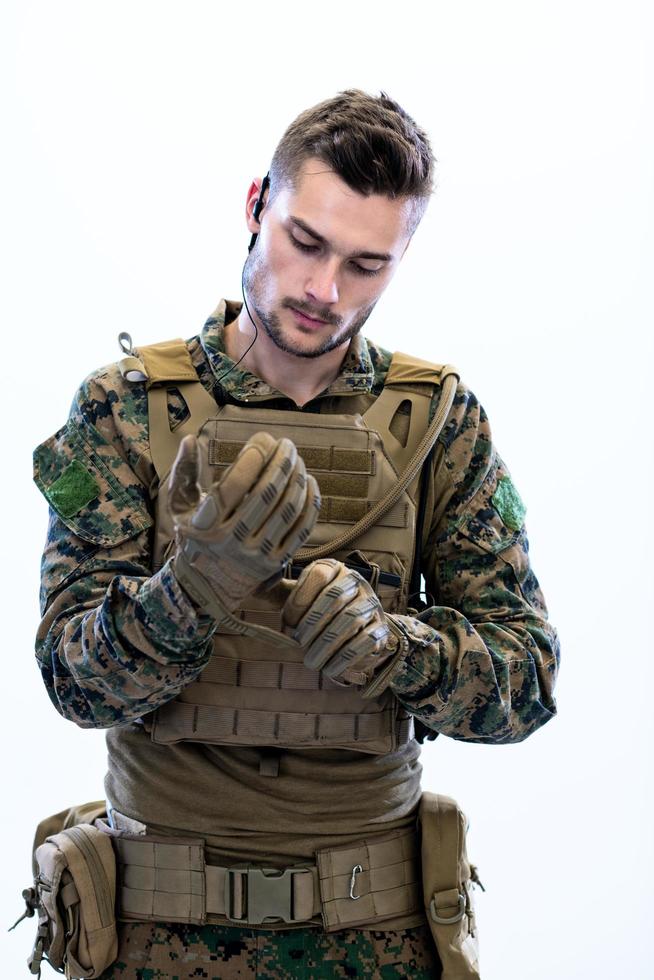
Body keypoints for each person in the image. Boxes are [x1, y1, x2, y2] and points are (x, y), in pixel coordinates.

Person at [32, 89, 560, 979]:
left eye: (366, 265)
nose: (323, 291)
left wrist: (397, 651)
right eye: (305, 242)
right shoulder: (123, 408)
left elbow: (527, 683)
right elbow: (73, 683)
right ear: (255, 207)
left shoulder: (438, 423)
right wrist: (189, 594)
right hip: (157, 940)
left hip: (378, 936)